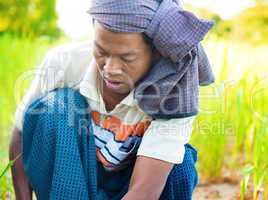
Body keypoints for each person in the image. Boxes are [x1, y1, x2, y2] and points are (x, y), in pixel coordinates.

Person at [9, 0, 214, 199]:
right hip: (71, 181)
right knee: (53, 108)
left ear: (155, 54)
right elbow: (21, 132)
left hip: (130, 187)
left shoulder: (176, 92)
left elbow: (144, 191)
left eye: (127, 58)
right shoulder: (64, 62)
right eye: (101, 51)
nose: (110, 68)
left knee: (181, 164)